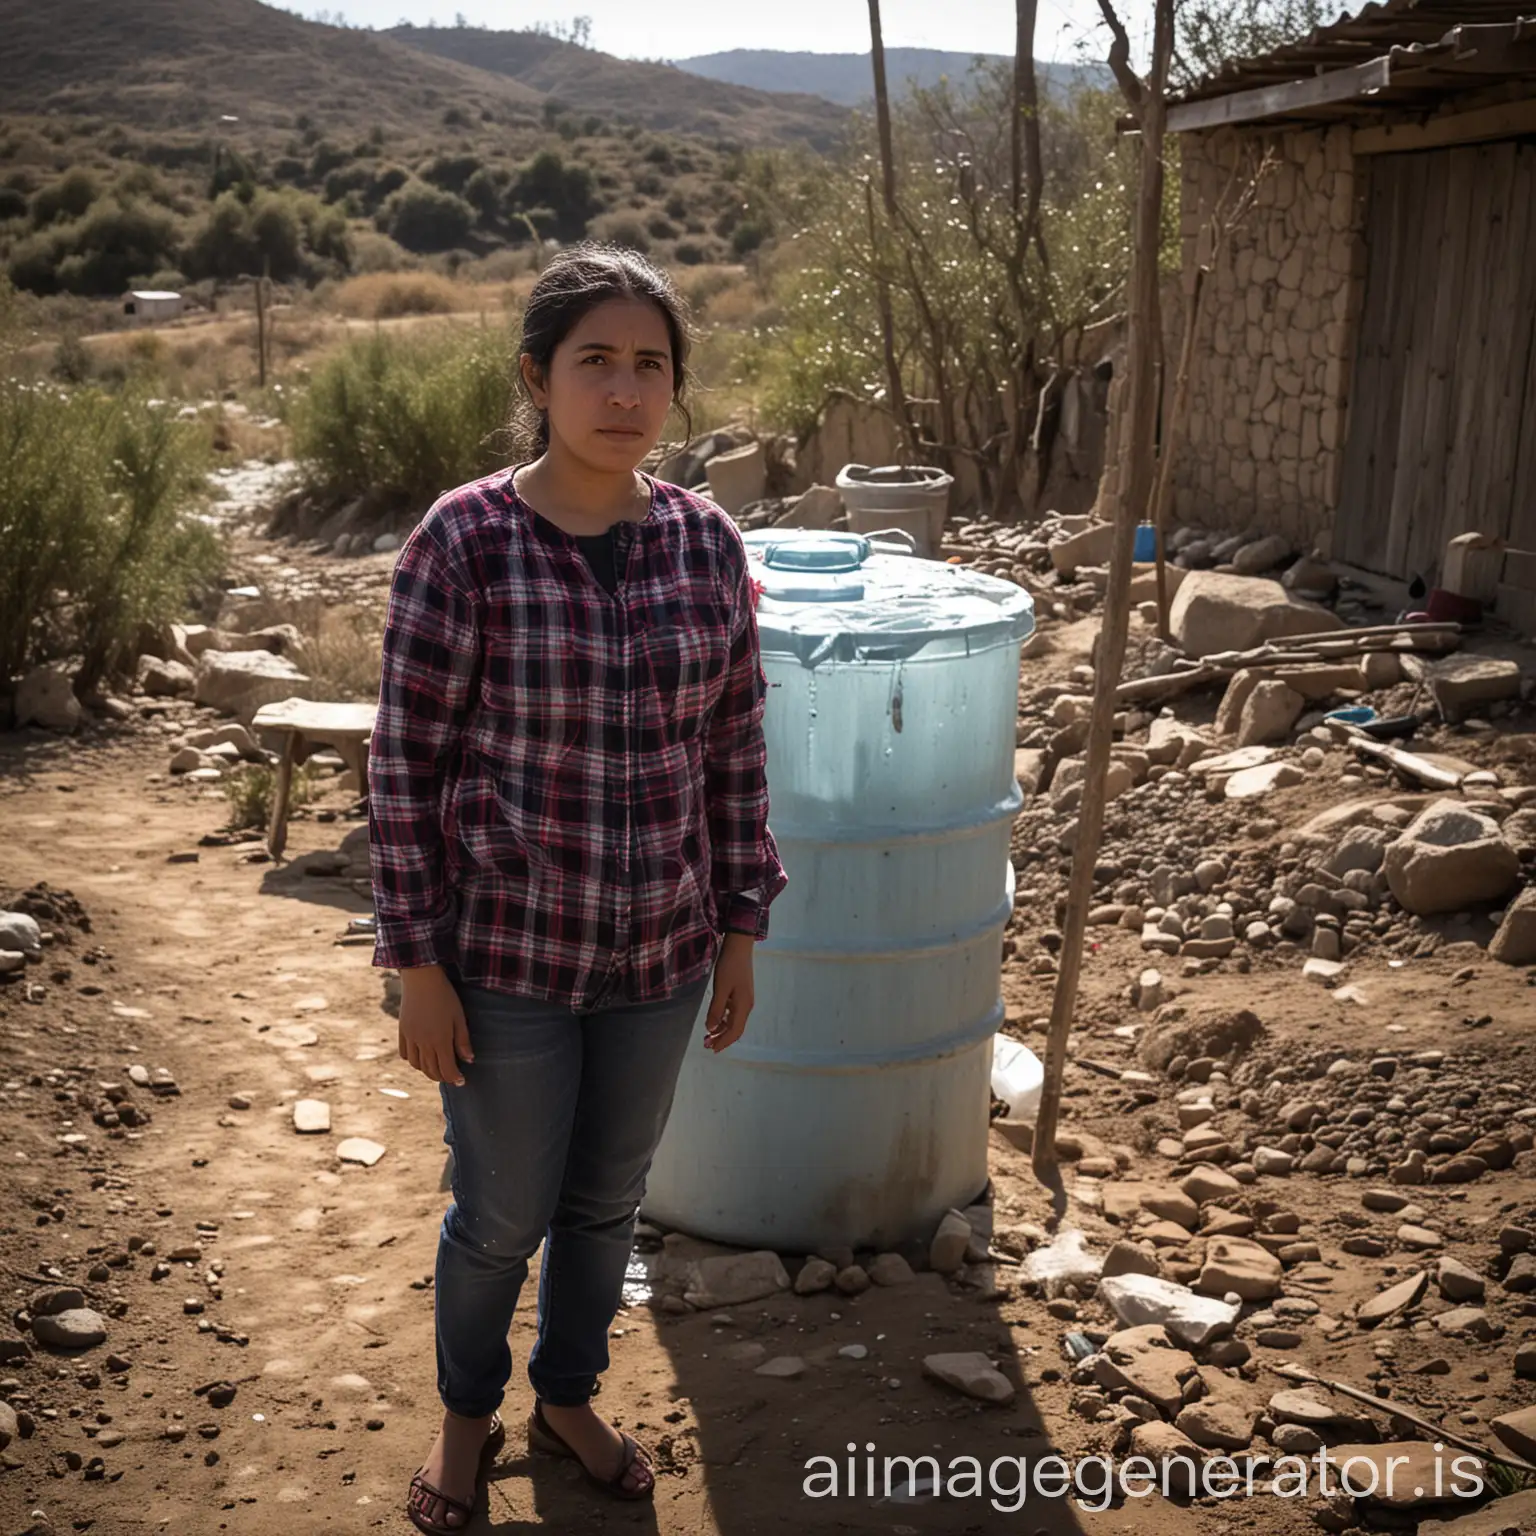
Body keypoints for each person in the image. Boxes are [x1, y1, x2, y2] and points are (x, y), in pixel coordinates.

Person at [367, 244, 788, 1533]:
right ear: (537, 380)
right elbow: (405, 764)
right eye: (593, 361)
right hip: (506, 962)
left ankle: (566, 1396)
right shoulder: (466, 539)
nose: (623, 390)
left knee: (608, 1204)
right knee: (498, 1215)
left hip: (659, 954)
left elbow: (731, 747)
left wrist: (739, 927)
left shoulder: (706, 542)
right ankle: (464, 1422)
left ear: (675, 388)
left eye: (649, 365)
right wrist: (416, 964)